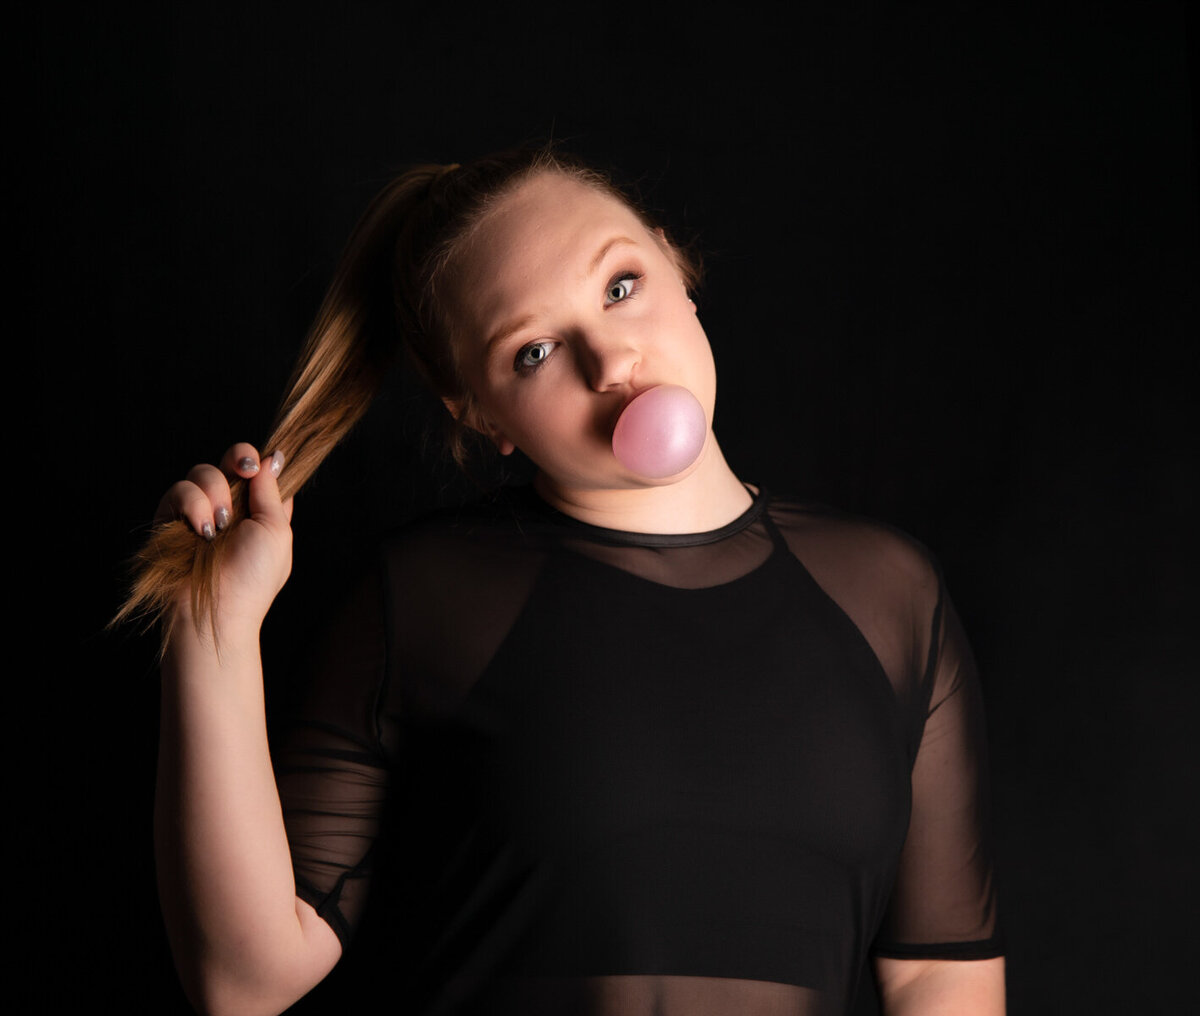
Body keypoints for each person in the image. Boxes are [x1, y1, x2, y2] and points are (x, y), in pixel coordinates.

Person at [125, 148, 1005, 1015]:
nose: (610, 361)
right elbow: (243, 984)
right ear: (476, 412)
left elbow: (940, 972)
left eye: (621, 286)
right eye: (536, 351)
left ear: (676, 264)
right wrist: (214, 633)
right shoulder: (427, 596)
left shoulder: (889, 594)